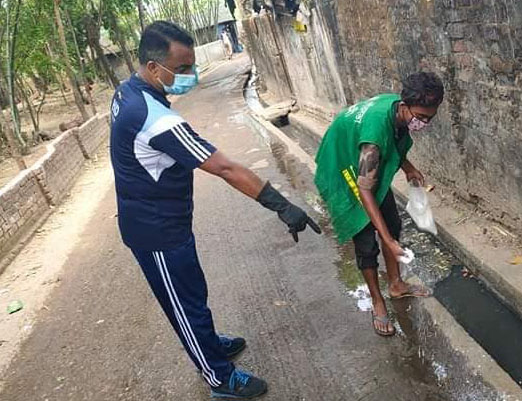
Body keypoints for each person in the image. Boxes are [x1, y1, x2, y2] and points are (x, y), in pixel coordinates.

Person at [109, 21, 320, 399]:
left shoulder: (128, 90)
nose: (191, 75)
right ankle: (219, 377)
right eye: (183, 68)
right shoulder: (157, 119)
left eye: (192, 65)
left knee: (191, 292)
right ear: (154, 67)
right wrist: (282, 206)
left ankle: (206, 342)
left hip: (164, 219)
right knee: (185, 304)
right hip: (155, 231)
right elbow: (224, 168)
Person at [314, 72, 444, 336]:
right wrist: (387, 239)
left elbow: (392, 142)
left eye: (429, 118)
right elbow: (365, 190)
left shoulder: (398, 109)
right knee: (365, 240)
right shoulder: (374, 141)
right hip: (341, 164)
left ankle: (396, 285)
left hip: (362, 158)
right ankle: (377, 301)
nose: (424, 123)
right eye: (421, 117)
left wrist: (407, 166)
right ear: (405, 106)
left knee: (392, 223)